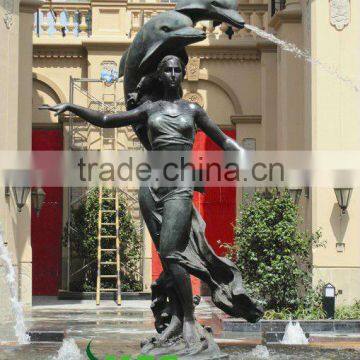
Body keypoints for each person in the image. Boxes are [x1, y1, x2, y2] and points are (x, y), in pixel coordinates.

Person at [40, 55, 262, 351]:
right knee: (169, 256)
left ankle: (188, 321)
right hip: (151, 187)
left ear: (182, 74)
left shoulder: (193, 110)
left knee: (171, 254)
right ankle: (174, 321)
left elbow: (224, 141)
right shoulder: (149, 109)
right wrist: (71, 107)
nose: (172, 74)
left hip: (180, 185)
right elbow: (108, 120)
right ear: (160, 75)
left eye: (176, 70)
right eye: (167, 70)